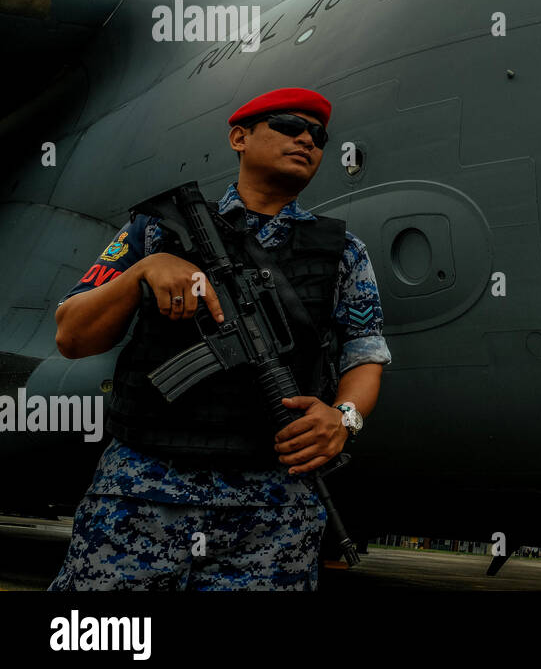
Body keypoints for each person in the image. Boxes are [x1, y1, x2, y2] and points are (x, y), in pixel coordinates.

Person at [49, 87, 390, 590]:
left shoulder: (344, 252)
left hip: (273, 509)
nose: (306, 140)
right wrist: (143, 270)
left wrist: (344, 418)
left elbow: (365, 352)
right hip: (143, 492)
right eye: (288, 127)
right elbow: (72, 335)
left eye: (317, 136)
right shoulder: (158, 230)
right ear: (239, 137)